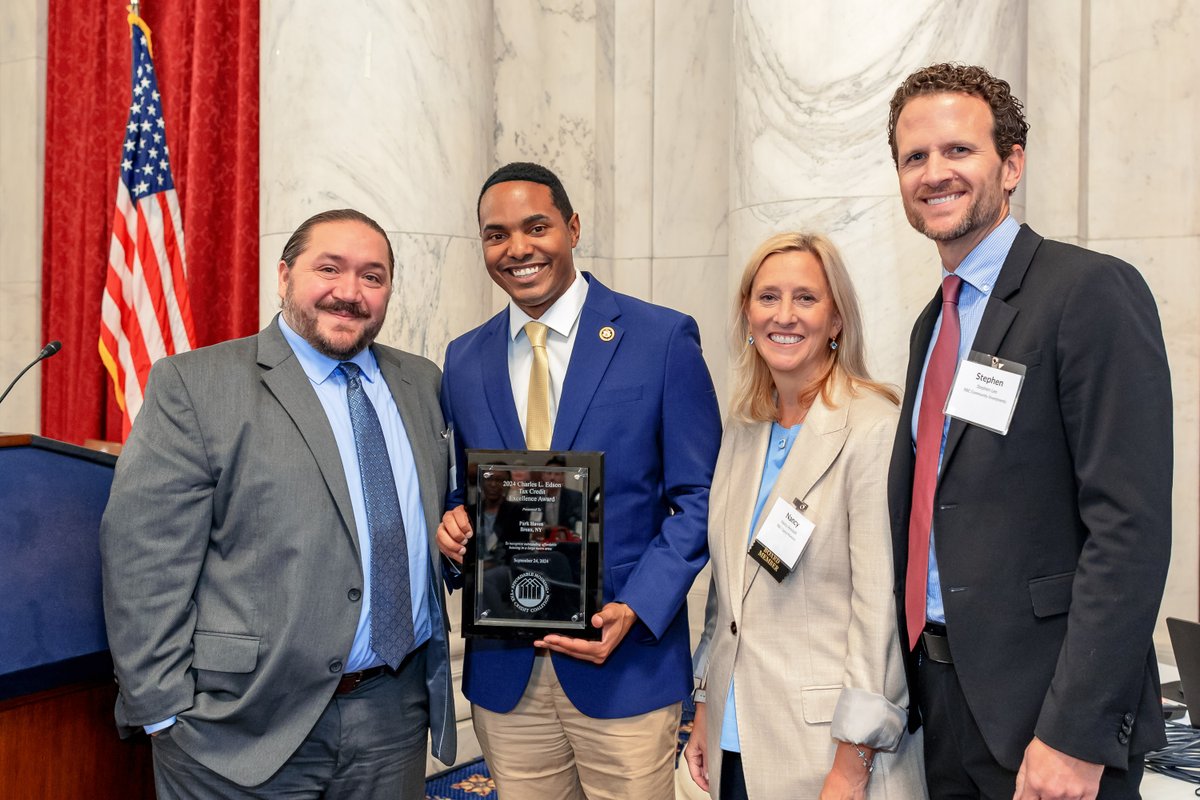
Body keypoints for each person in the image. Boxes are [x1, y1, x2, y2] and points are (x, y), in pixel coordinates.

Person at [885, 63, 1172, 799]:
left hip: (1048, 716)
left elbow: (1129, 530)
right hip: (944, 702)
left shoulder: (1086, 291)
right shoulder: (933, 323)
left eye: (958, 151)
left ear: (1010, 165)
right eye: (914, 157)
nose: (933, 173)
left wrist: (1076, 733)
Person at [100, 209, 456, 798]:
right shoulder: (196, 384)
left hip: (393, 715)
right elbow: (143, 559)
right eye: (329, 269)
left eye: (373, 276)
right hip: (237, 727)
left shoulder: (423, 383)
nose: (349, 292)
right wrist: (163, 711)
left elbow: (430, 524)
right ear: (285, 275)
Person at [437, 161, 722, 799]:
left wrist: (638, 609)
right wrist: (454, 530)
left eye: (536, 226)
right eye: (496, 234)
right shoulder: (463, 358)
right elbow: (465, 491)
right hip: (507, 678)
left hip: (623, 663)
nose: (518, 248)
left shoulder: (660, 339)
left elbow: (698, 498)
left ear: (571, 227)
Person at [683, 233, 926, 799]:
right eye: (767, 297)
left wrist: (853, 760)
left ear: (836, 319)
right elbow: (729, 591)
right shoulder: (744, 429)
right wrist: (703, 707)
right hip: (734, 741)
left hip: (828, 752)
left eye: (805, 299)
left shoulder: (872, 427)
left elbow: (880, 614)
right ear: (747, 313)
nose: (783, 315)